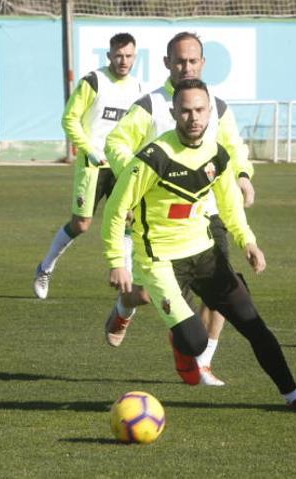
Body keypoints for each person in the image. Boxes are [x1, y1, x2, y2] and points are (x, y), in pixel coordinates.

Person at [103, 79, 296, 411]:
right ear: (173, 112)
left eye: (199, 110)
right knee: (195, 342)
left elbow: (228, 204)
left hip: (206, 254)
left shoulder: (216, 154)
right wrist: (116, 261)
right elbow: (115, 209)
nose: (193, 118)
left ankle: (294, 396)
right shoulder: (153, 158)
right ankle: (183, 342)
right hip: (161, 261)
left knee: (254, 325)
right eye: (185, 111)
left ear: (210, 112)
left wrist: (248, 241)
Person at [102, 31, 255, 386]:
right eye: (179, 61)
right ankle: (126, 305)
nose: (186, 67)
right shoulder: (151, 106)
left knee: (222, 288)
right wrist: (133, 187)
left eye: (193, 60)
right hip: (159, 220)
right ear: (167, 63)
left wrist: (244, 175)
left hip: (208, 212)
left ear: (202, 63)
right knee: (147, 293)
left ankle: (203, 362)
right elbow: (117, 143)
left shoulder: (216, 105)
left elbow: (234, 147)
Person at [33, 32, 143, 299]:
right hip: (93, 165)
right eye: (118, 55)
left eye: (128, 56)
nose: (123, 61)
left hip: (123, 165)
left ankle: (125, 281)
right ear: (109, 56)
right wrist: (90, 150)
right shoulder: (93, 81)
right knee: (82, 224)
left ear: (135, 57)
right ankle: (45, 267)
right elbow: (69, 119)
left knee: (129, 219)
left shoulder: (138, 88)